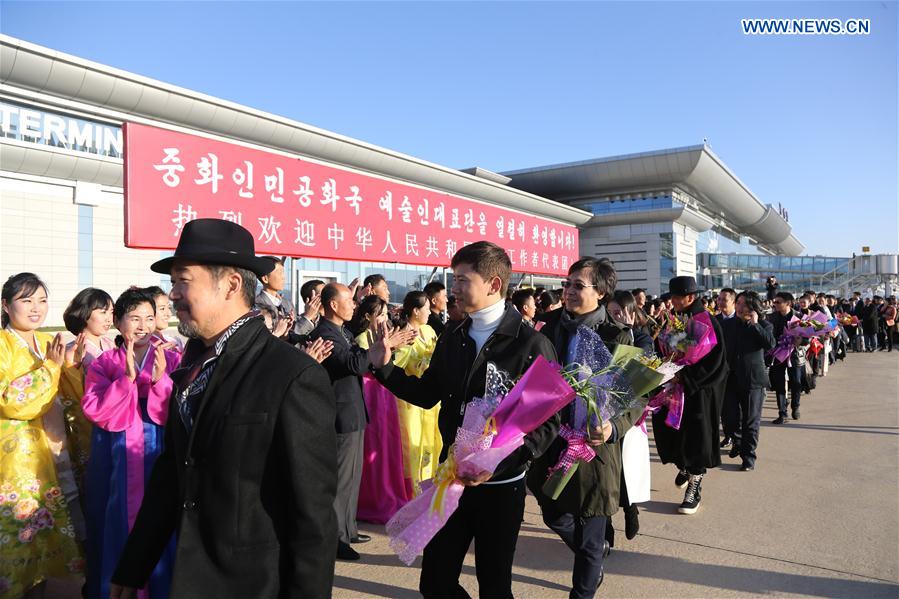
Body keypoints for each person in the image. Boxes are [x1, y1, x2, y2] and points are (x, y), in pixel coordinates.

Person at [109, 219, 338, 598]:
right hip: (190, 580)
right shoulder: (192, 365)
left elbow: (313, 517)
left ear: (231, 284)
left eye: (183, 281)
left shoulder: (290, 375)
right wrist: (135, 563)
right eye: (174, 282)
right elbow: (174, 472)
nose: (174, 294)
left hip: (254, 584)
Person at [369, 241, 559, 599]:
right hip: (450, 480)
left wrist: (504, 463)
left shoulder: (529, 344)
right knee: (435, 583)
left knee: (494, 586)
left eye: (461, 280)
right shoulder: (452, 338)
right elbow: (428, 394)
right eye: (453, 280)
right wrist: (385, 368)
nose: (453, 289)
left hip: (501, 488)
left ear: (493, 284)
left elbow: (548, 421)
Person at [527, 258, 641, 597]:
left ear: (601, 292)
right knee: (552, 512)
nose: (569, 291)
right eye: (567, 284)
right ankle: (595, 557)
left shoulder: (616, 337)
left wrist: (612, 428)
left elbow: (635, 399)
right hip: (554, 440)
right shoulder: (549, 329)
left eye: (579, 285)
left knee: (592, 528)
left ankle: (587, 580)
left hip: (595, 447)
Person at [82, 288, 182, 599]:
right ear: (117, 321)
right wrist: (125, 381)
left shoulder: (171, 356)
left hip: (156, 448)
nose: (142, 325)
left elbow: (178, 407)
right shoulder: (104, 363)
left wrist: (160, 380)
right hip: (116, 452)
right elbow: (93, 406)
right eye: (134, 318)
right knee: (114, 515)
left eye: (149, 318)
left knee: (159, 515)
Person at [309, 283, 413, 562]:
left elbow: (360, 360)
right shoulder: (324, 333)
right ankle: (336, 539)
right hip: (340, 416)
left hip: (353, 412)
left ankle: (349, 529)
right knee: (340, 481)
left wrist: (382, 347)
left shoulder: (340, 332)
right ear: (333, 305)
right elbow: (352, 364)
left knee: (352, 478)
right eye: (349, 300)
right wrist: (383, 346)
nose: (354, 305)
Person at [1, 273, 84, 598]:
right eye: (26, 300)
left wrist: (69, 367)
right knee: (19, 547)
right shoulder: (3, 345)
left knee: (45, 548)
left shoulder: (42, 344)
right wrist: (50, 369)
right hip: (17, 462)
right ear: (6, 306)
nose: (36, 308)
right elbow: (11, 400)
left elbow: (67, 397)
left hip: (49, 454)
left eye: (41, 300)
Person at [653, 276, 728, 515]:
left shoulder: (706, 321)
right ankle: (684, 466)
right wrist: (666, 367)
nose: (672, 301)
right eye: (672, 296)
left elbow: (716, 362)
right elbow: (664, 348)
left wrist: (686, 377)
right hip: (675, 389)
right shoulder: (674, 320)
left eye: (677, 297)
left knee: (696, 437)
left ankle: (695, 485)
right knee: (670, 432)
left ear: (691, 297)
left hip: (699, 392)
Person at [352, 295, 412, 523]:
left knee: (389, 445)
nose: (385, 318)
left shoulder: (385, 336)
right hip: (370, 396)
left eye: (387, 314)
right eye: (381, 314)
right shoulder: (360, 339)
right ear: (368, 316)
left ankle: (392, 494)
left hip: (385, 395)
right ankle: (374, 499)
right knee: (375, 446)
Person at [60, 287, 116, 498]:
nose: (108, 318)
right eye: (102, 312)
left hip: (112, 419)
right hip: (87, 425)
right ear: (84, 313)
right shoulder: (73, 350)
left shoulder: (109, 343)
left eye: (111, 312)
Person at [727, 292, 776, 471]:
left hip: (753, 380)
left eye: (741, 303)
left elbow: (770, 344)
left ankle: (748, 456)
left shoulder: (764, 325)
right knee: (730, 418)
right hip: (731, 378)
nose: (738, 307)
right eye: (737, 303)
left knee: (751, 421)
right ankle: (738, 441)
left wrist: (755, 324)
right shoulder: (729, 324)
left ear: (751, 306)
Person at [768, 292, 807, 424]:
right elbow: (769, 336)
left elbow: (808, 338)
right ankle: (782, 412)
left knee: (796, 383)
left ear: (788, 303)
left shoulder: (800, 317)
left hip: (795, 355)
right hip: (778, 354)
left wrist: (800, 341)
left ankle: (795, 406)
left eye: (778, 302)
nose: (775, 304)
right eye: (775, 302)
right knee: (779, 383)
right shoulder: (771, 317)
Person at [715, 288, 739, 452]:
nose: (720, 302)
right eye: (719, 299)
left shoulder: (740, 321)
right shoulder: (714, 320)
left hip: (737, 370)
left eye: (724, 299)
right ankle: (729, 435)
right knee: (723, 406)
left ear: (733, 302)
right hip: (719, 370)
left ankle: (737, 437)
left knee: (736, 408)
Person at [254, 256, 303, 336]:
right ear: (265, 279)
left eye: (283, 273)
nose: (283, 277)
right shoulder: (256, 305)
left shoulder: (287, 303)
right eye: (280, 273)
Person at [142, 286, 184, 352]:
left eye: (169, 308)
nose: (169, 314)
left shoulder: (173, 341)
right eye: (162, 309)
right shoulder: (142, 345)